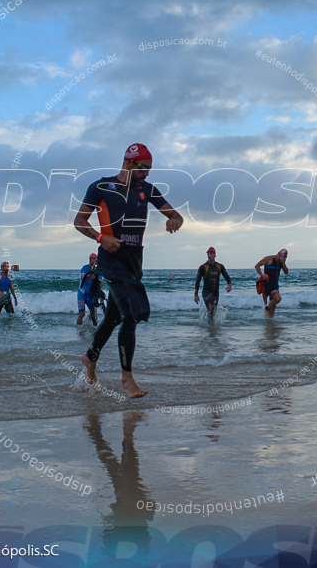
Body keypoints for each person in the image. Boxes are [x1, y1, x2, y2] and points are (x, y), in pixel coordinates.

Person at [74, 143, 183, 399]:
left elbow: (176, 214)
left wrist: (174, 220)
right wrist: (101, 238)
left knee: (113, 318)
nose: (147, 175)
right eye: (144, 169)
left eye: (150, 170)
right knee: (132, 314)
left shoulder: (148, 189)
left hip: (135, 262)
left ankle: (90, 357)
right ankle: (127, 380)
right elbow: (79, 221)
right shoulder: (101, 187)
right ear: (129, 164)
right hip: (111, 260)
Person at [194, 247, 232, 323]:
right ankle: (211, 330)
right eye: (208, 253)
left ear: (215, 255)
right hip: (206, 293)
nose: (209, 255)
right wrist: (196, 294)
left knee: (212, 312)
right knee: (210, 310)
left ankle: (210, 328)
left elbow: (226, 276)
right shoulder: (203, 267)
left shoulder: (219, 266)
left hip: (215, 294)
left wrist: (230, 284)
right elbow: (197, 281)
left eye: (211, 253)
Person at [254, 249, 289, 319]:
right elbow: (257, 266)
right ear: (278, 255)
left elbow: (286, 272)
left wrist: (283, 264)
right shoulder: (269, 259)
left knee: (273, 307)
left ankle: (269, 323)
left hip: (275, 284)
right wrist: (261, 274)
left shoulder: (281, 263)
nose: (284, 259)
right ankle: (266, 308)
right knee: (278, 299)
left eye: (285, 258)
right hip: (267, 284)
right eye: (283, 257)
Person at [76, 254, 98, 326]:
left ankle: (87, 325)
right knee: (82, 314)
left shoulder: (97, 270)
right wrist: (90, 274)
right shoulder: (85, 268)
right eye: (94, 259)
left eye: (96, 259)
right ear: (90, 260)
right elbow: (82, 277)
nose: (95, 260)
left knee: (93, 312)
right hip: (82, 293)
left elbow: (101, 283)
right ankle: (79, 330)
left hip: (90, 294)